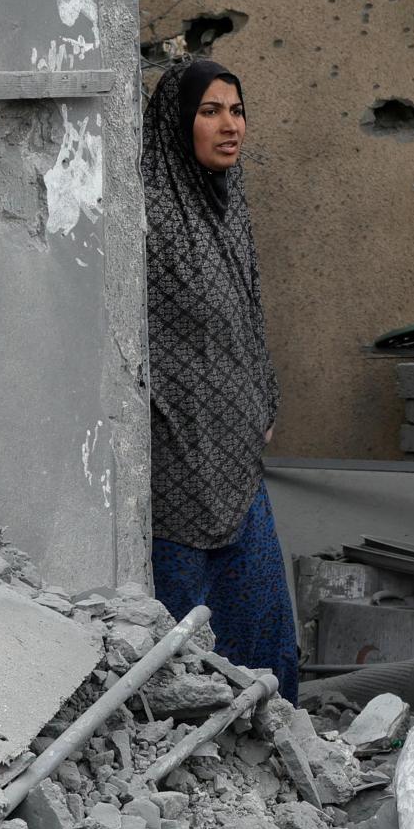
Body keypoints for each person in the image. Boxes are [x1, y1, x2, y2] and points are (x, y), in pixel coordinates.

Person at [142, 59, 297, 703]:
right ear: (179, 124)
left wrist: (263, 390)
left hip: (235, 453)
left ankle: (276, 742)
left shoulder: (228, 200)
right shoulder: (146, 211)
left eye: (236, 110)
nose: (230, 126)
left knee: (263, 626)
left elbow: (249, 306)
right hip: (174, 457)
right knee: (181, 636)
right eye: (210, 112)